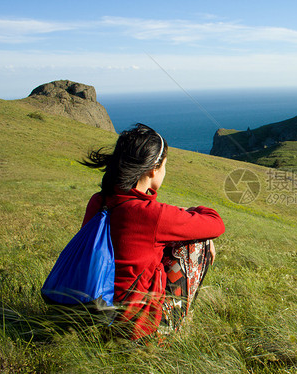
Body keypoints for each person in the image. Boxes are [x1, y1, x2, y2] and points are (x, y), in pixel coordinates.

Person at [80, 123, 224, 340]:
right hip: (137, 329)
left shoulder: (98, 201)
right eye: (165, 165)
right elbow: (215, 224)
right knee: (198, 242)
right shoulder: (151, 215)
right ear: (153, 169)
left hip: (89, 316)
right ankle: (174, 326)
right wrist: (192, 211)